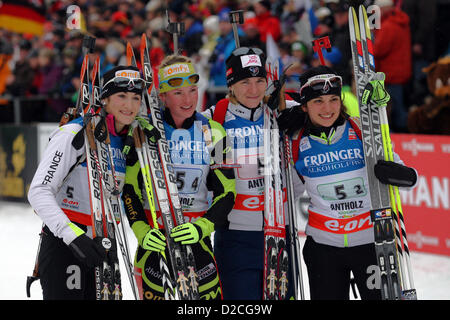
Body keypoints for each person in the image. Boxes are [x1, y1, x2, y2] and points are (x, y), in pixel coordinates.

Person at [277, 65, 418, 300]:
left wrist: (399, 174)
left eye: (333, 99)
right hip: (323, 247)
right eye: (318, 102)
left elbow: (409, 177)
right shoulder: (296, 141)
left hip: (372, 244)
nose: (328, 108)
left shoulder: (362, 130)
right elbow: (289, 191)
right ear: (305, 106)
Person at [121, 54, 235, 300]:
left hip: (198, 242)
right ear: (162, 96)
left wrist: (202, 227)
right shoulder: (142, 131)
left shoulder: (213, 132)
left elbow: (227, 192)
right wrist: (141, 230)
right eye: (178, 93)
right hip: (155, 241)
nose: (188, 99)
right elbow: (129, 188)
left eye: (193, 90)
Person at [27, 65, 144, 299]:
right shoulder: (74, 133)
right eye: (121, 96)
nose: (129, 105)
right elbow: (38, 191)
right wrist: (73, 236)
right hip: (67, 243)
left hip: (105, 243)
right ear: (105, 99)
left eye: (135, 98)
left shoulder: (130, 139)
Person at [203, 47, 297, 300]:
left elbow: (326, 112)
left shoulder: (280, 111)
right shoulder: (215, 118)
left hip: (280, 231)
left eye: (259, 81)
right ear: (231, 85)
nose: (254, 90)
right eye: (245, 82)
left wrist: (297, 116)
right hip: (235, 236)